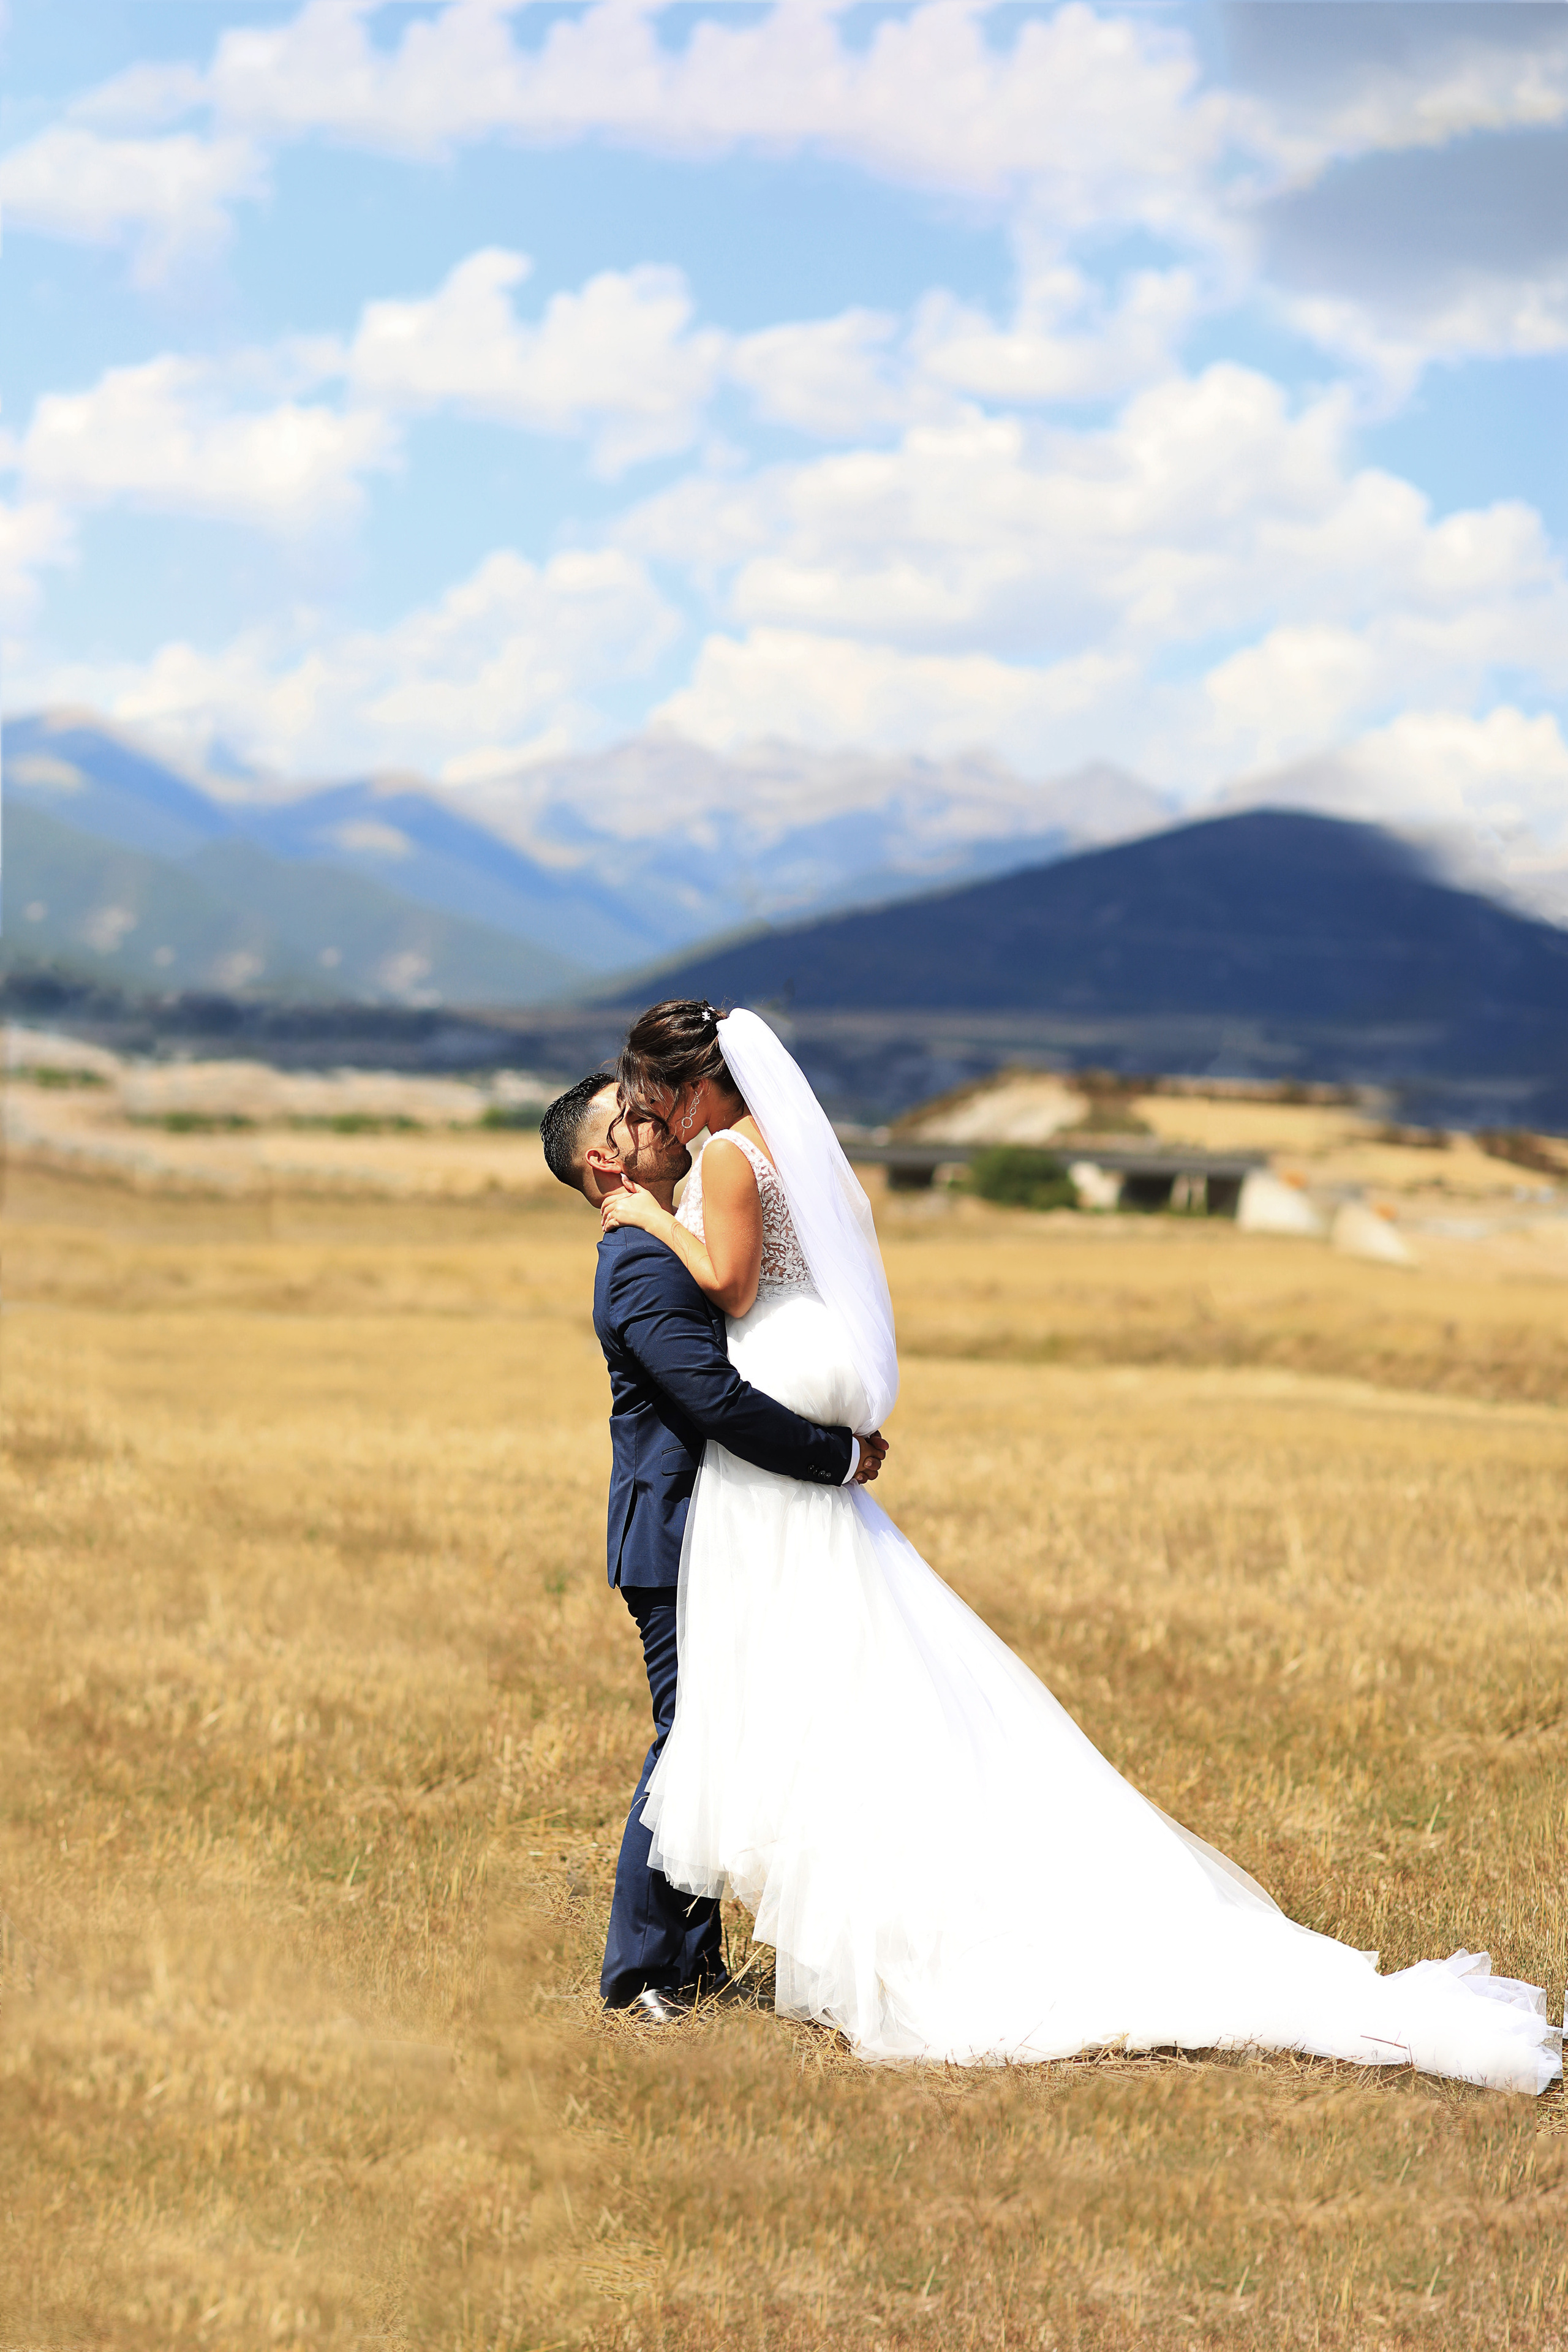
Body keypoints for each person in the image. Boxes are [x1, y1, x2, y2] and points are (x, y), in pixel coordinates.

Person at [597, 1000, 1561, 2093]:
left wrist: (643, 1217)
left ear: (696, 1085)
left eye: (658, 1095)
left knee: (788, 1691)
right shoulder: (791, 1148)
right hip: (802, 1422)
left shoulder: (727, 1154)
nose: (656, 1117)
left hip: (775, 1439)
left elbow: (727, 1284)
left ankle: (708, 1959)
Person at [538, 1072, 886, 2023]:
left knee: (711, 1741)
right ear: (607, 1163)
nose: (653, 1117)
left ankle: (689, 1970)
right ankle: (645, 1976)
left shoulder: (674, 1229)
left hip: (719, 1525)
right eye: (632, 1116)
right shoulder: (641, 1265)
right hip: (676, 1532)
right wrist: (836, 1455)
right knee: (688, 1744)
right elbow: (712, 1402)